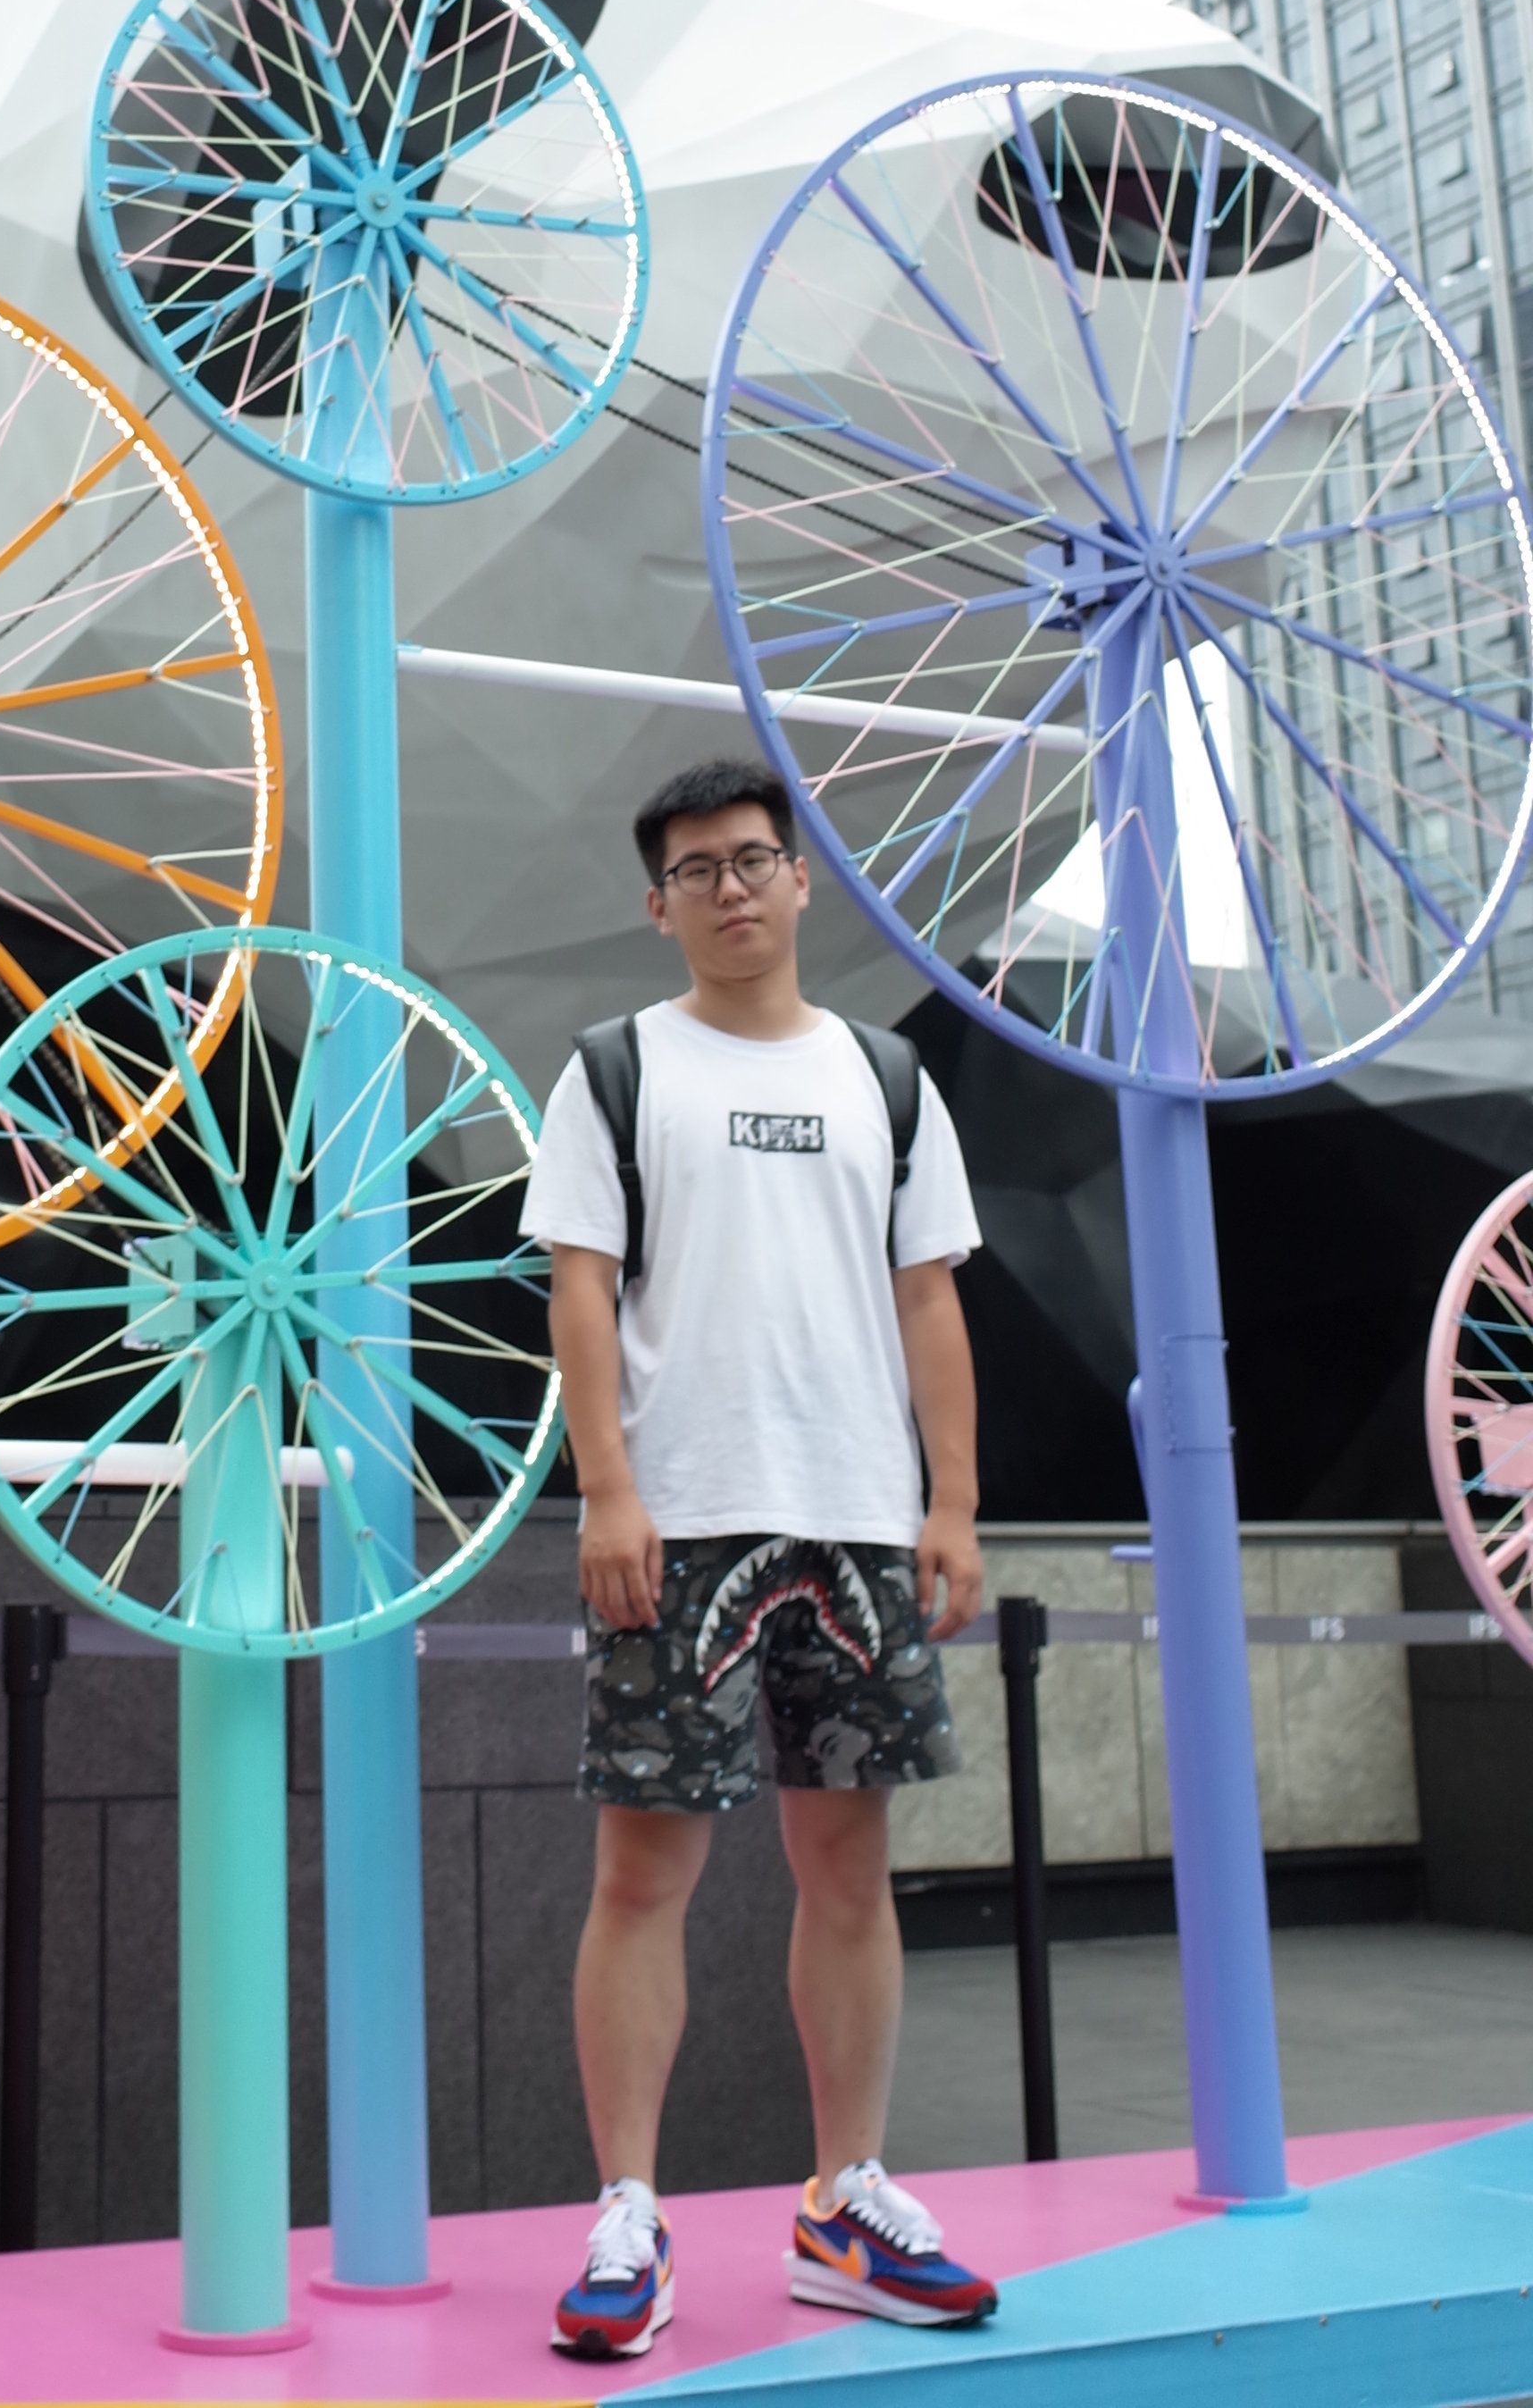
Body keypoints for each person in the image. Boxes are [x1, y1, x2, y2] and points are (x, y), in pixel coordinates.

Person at [528, 756, 998, 2357]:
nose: (729, 888)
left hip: (860, 1518)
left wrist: (953, 1504)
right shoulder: (614, 1071)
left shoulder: (889, 1078)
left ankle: (843, 2200)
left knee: (848, 1869)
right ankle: (629, 2216)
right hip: (682, 1519)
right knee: (642, 1875)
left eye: (752, 859)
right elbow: (579, 1292)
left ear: (800, 880)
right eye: (696, 870)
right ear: (656, 906)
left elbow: (930, 1299)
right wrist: (606, 1491)